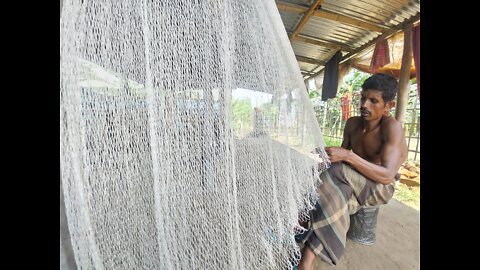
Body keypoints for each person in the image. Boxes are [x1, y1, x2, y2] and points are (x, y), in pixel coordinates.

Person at [298, 73, 408, 270]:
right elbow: (338, 164)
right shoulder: (353, 124)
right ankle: (306, 261)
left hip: (379, 187)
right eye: (363, 98)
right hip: (351, 181)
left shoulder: (391, 128)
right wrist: (322, 163)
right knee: (334, 196)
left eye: (374, 101)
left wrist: (348, 157)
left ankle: (302, 224)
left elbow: (387, 175)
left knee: (336, 173)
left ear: (388, 106)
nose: (365, 105)